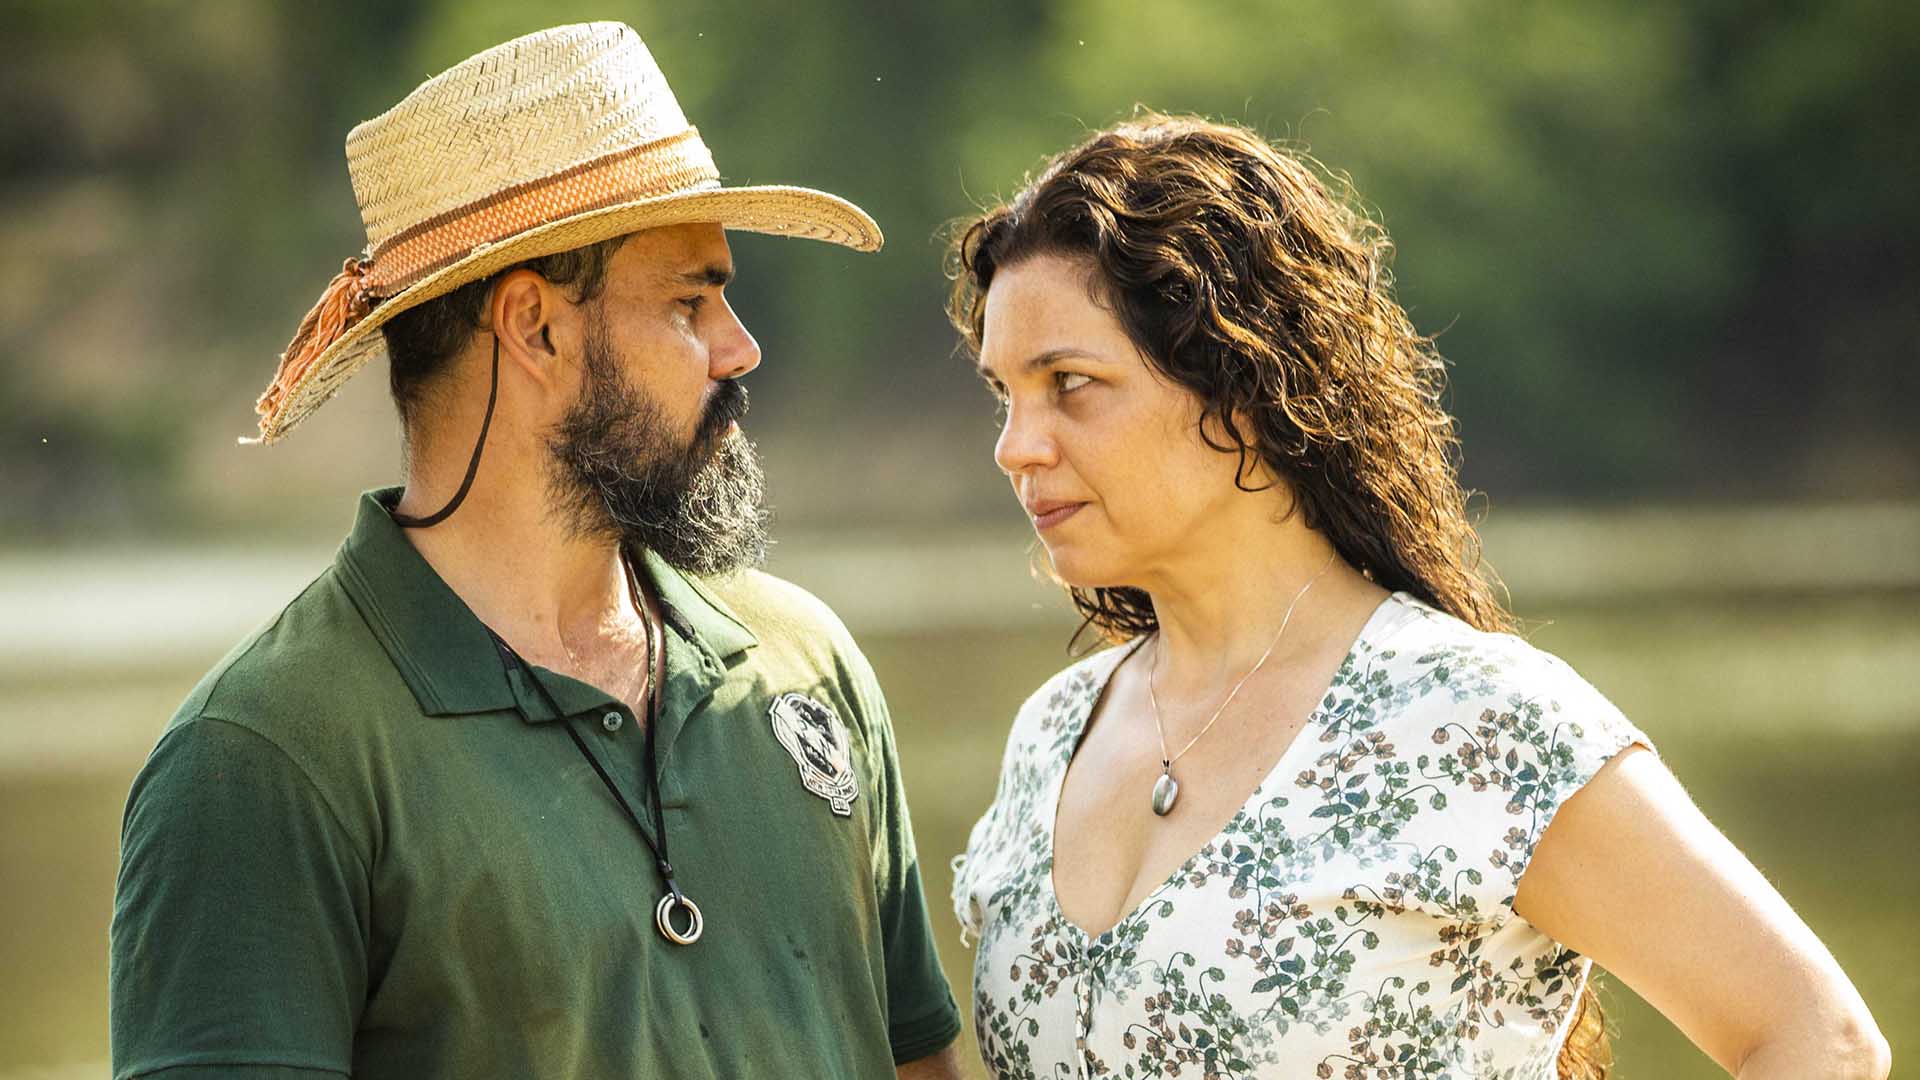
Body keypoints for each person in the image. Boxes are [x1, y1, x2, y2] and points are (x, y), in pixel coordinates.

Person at [946, 113, 1890, 1079]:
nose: (1016, 445)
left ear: (1238, 379)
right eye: (1005, 395)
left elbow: (1820, 1039)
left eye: (1070, 383)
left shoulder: (1470, 721)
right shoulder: (1053, 732)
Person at [109, 23, 964, 1080]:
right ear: (536, 328)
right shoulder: (263, 761)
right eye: (690, 302)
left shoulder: (809, 665)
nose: (741, 348)